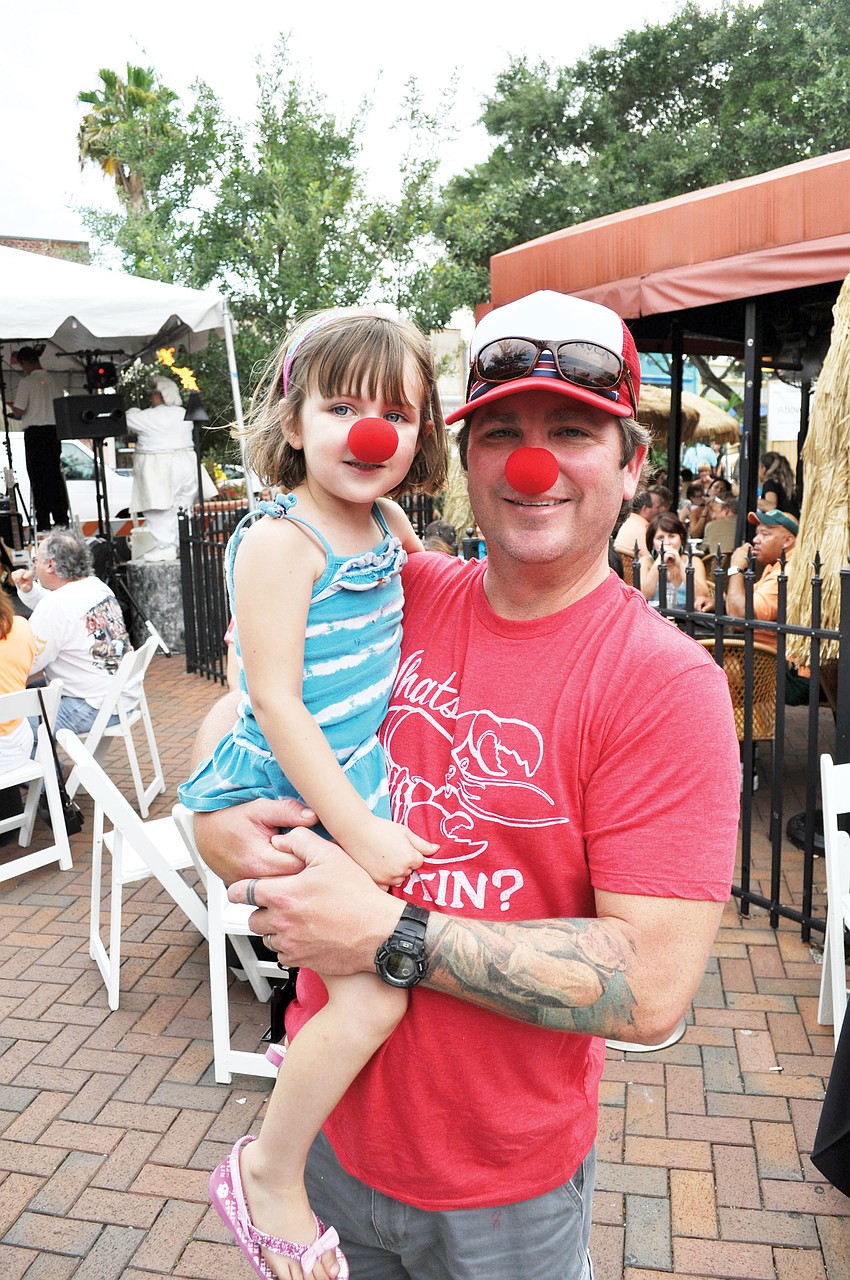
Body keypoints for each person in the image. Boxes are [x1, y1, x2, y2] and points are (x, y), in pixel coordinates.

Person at [192, 290, 740, 1280]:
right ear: (466, 457)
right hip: (332, 1138)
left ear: (630, 462)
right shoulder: (400, 584)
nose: (534, 465)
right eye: (501, 434)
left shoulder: (664, 684)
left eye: (571, 431)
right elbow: (248, 702)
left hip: (501, 1197)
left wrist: (389, 936)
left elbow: (653, 986)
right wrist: (216, 819)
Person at [179, 307, 448, 1280]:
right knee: (373, 999)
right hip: (290, 786)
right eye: (341, 406)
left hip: (345, 779)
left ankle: (284, 1161)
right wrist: (361, 830)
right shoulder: (278, 539)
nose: (369, 431)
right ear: (293, 422)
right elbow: (274, 699)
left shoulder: (387, 522)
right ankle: (269, 1169)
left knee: (353, 989)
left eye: (396, 411)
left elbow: (425, 600)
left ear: (421, 435)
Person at [10, 530, 136, 734]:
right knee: (29, 696)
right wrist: (29, 590)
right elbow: (61, 609)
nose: (33, 565)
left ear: (50, 565)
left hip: (92, 705)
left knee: (13, 727)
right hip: (120, 697)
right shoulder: (97, 587)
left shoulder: (57, 604)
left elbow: (29, 663)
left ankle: (50, 767)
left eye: (35, 559)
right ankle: (55, 766)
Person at [125, 377, 215, 562]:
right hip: (186, 464)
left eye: (155, 394)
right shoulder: (183, 413)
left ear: (162, 395)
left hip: (161, 466)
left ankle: (166, 546)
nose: (152, 398)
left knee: (159, 508)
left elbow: (128, 419)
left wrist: (134, 409)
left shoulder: (149, 416)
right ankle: (184, 543)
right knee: (183, 506)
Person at [8, 348, 70, 531]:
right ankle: (61, 520)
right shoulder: (55, 381)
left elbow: (19, 410)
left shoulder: (27, 382)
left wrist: (11, 408)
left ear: (24, 363)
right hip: (54, 432)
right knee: (54, 476)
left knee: (38, 479)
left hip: (35, 434)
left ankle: (43, 524)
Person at [638, 511, 711, 610]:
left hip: (687, 619)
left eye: (672, 536)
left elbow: (702, 596)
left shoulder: (694, 561)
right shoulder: (646, 562)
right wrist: (659, 561)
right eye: (661, 538)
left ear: (681, 538)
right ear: (653, 543)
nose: (667, 543)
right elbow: (644, 595)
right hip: (656, 617)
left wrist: (680, 564)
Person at [613, 489, 659, 559]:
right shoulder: (644, 529)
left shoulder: (627, 521)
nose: (659, 511)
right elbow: (649, 559)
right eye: (657, 508)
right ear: (645, 509)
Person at [757, 451, 798, 517]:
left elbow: (771, 505)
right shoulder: (781, 485)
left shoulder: (770, 484)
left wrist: (750, 499)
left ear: (763, 469)